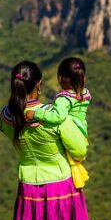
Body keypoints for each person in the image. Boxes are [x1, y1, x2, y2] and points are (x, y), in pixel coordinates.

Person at [0, 60, 100, 220]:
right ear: (39, 85)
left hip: (28, 184)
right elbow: (79, 148)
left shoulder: (8, 115)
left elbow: (6, 130)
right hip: (60, 183)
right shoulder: (56, 117)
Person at [25, 57, 91, 188]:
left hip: (71, 133)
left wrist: (36, 114)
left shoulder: (64, 99)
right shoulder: (84, 93)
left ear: (61, 78)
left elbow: (57, 116)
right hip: (82, 131)